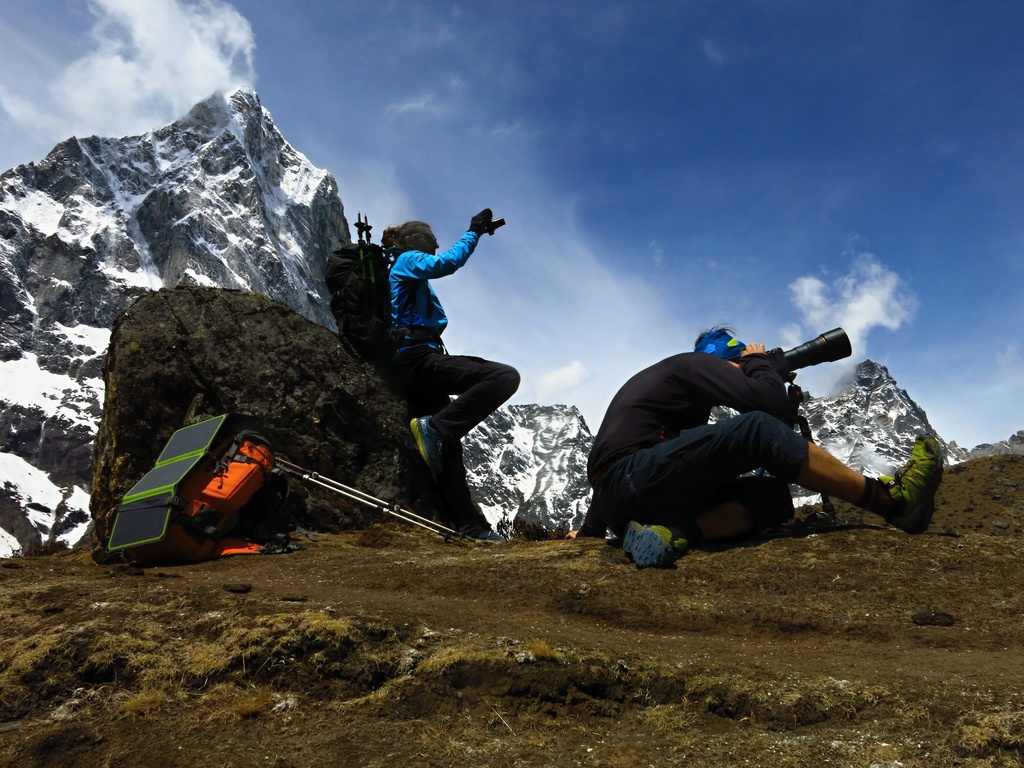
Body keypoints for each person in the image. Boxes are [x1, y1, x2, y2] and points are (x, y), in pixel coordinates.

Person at [571, 327, 943, 569]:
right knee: (755, 426)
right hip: (634, 478)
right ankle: (890, 501)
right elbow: (767, 405)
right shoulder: (692, 364)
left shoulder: (677, 404)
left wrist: (591, 532)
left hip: (626, 505)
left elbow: (614, 469)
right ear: (725, 362)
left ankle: (671, 534)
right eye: (739, 365)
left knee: (772, 497)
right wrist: (758, 363)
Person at [386, 209, 520, 541]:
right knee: (503, 377)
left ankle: (469, 527)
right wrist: (473, 232)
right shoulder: (407, 260)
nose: (435, 244)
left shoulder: (403, 268)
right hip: (418, 358)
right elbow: (448, 262)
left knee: (448, 449)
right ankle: (436, 427)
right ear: (414, 240)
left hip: (411, 361)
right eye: (431, 239)